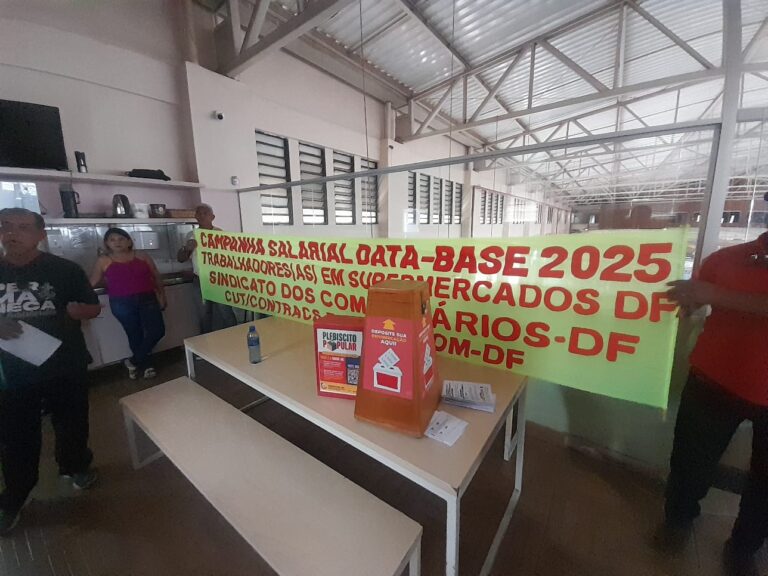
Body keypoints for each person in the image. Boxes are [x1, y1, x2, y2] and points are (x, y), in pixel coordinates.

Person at [661, 230, 768, 576]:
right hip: (712, 380)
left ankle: (744, 548)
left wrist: (714, 294)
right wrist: (688, 304)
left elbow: (710, 294)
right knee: (689, 462)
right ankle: (677, 521)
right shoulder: (724, 259)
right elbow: (693, 304)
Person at [0, 208, 101, 535]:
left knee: (72, 423)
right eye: (5, 227)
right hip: (12, 372)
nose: (12, 233)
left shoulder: (64, 270)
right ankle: (16, 493)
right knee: (15, 435)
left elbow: (93, 306)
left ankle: (75, 466)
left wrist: (79, 311)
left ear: (40, 234)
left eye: (22, 227)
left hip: (64, 364)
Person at [90, 228, 166, 379]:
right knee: (134, 334)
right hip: (121, 302)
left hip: (147, 299)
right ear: (107, 243)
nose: (117, 242)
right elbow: (92, 282)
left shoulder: (142, 256)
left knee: (157, 331)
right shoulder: (104, 260)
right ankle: (146, 366)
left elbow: (156, 275)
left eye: (121, 239)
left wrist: (162, 295)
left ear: (129, 241)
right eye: (112, 240)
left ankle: (132, 361)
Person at [177, 203, 236, 333]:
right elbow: (181, 258)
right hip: (199, 280)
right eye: (199, 213)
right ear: (195, 216)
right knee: (204, 315)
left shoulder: (219, 234)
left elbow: (230, 257)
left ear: (212, 217)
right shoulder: (191, 235)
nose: (202, 216)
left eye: (205, 213)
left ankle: (236, 337)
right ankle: (205, 342)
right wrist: (187, 248)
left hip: (219, 280)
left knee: (226, 312)